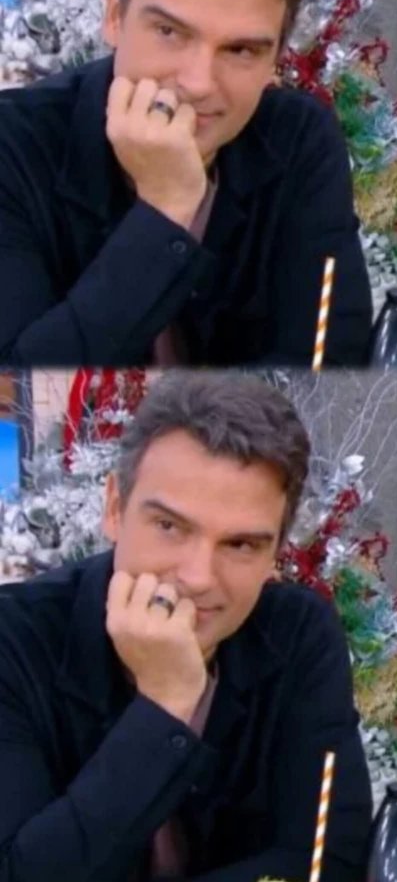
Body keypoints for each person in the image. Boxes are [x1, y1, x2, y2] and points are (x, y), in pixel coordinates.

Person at [0, 370, 373, 881]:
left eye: (240, 545)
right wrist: (164, 707)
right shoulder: (14, 641)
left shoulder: (298, 634)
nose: (197, 578)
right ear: (115, 508)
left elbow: (328, 860)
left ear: (277, 553)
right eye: (170, 526)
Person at [0, 0, 372, 366]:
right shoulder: (13, 147)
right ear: (115, 14)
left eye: (240, 50)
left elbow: (328, 356)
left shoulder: (300, 141)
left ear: (277, 58)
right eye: (169, 32)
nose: (197, 83)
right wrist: (164, 211)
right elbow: (20, 372)